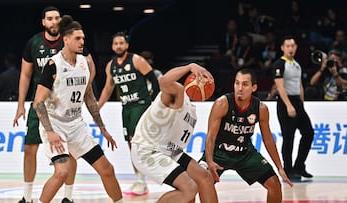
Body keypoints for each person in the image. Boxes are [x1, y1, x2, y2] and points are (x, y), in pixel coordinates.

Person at [32, 15, 123, 203]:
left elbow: (89, 97)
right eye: (77, 38)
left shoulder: (84, 63)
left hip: (76, 125)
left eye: (83, 38)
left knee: (107, 169)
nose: (82, 42)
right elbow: (38, 102)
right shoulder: (53, 65)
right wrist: (50, 132)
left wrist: (103, 129)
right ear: (66, 40)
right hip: (55, 124)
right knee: (62, 172)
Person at [12, 6, 96, 203]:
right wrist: (20, 104)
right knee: (29, 148)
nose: (53, 21)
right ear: (43, 22)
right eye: (49, 18)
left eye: (57, 18)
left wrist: (80, 91)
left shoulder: (72, 40)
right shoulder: (33, 43)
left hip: (65, 107)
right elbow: (25, 75)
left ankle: (68, 197)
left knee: (71, 151)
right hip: (40, 103)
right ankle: (27, 196)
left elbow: (90, 68)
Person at [199, 68, 293, 203]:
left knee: (275, 184)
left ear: (254, 87)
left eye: (245, 84)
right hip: (219, 152)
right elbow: (211, 137)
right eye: (237, 83)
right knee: (195, 184)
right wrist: (209, 161)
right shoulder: (222, 103)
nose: (240, 88)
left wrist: (279, 167)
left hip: (245, 153)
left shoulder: (261, 109)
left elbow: (268, 140)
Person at [130, 63, 218, 203]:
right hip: (147, 150)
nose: (202, 82)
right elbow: (164, 81)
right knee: (189, 188)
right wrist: (190, 67)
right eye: (199, 78)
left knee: (204, 177)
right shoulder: (177, 91)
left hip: (170, 150)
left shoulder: (192, 110)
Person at [98, 32, 160, 195]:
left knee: (135, 141)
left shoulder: (136, 60)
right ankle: (140, 180)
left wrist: (155, 101)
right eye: (115, 43)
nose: (118, 46)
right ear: (112, 46)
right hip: (126, 107)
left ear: (127, 45)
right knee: (130, 144)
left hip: (140, 105)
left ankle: (143, 180)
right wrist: (97, 107)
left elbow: (154, 79)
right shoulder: (110, 66)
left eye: (121, 43)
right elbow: (107, 89)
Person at [272, 35, 315, 180]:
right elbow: (279, 86)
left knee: (309, 133)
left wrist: (301, 103)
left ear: (296, 48)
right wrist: (289, 105)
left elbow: (299, 84)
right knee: (288, 137)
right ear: (282, 48)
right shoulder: (279, 64)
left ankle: (299, 165)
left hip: (297, 101)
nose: (290, 48)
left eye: (292, 46)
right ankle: (288, 169)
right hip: (285, 103)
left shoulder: (297, 64)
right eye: (287, 46)